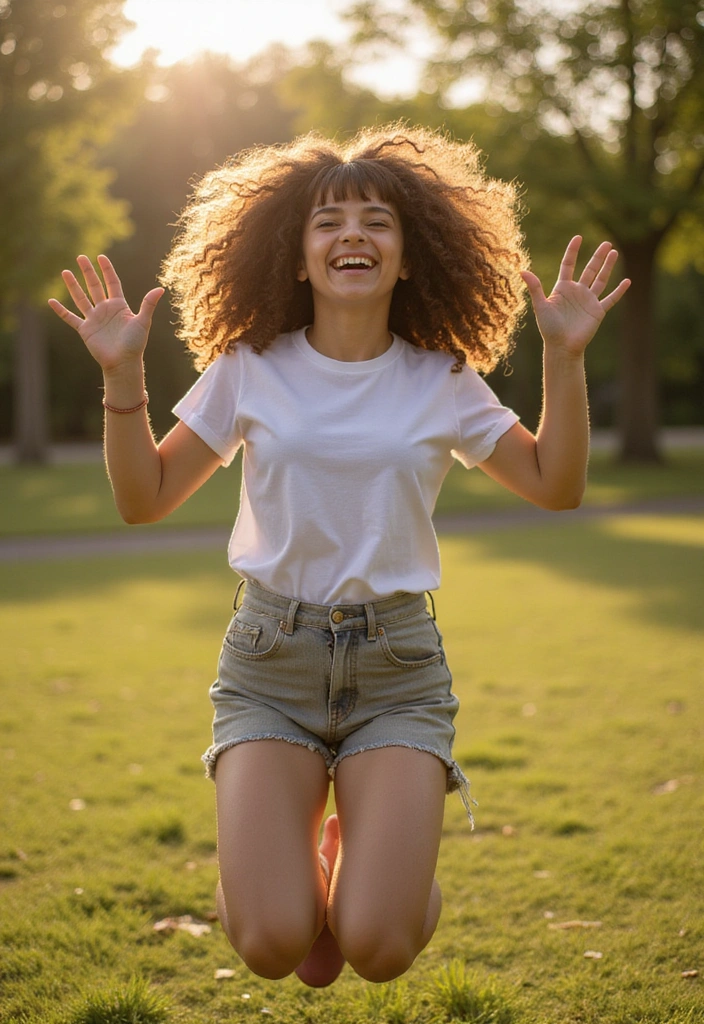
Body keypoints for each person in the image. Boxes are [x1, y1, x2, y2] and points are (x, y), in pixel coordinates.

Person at [49, 124, 630, 989]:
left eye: (377, 222)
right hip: (268, 662)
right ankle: (294, 866)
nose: (352, 234)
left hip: (398, 666)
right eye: (328, 221)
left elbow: (556, 484)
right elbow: (143, 500)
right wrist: (121, 379)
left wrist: (564, 356)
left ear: (408, 258)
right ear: (295, 255)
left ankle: (370, 861)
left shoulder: (441, 379)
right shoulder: (249, 369)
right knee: (279, 948)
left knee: (378, 948)